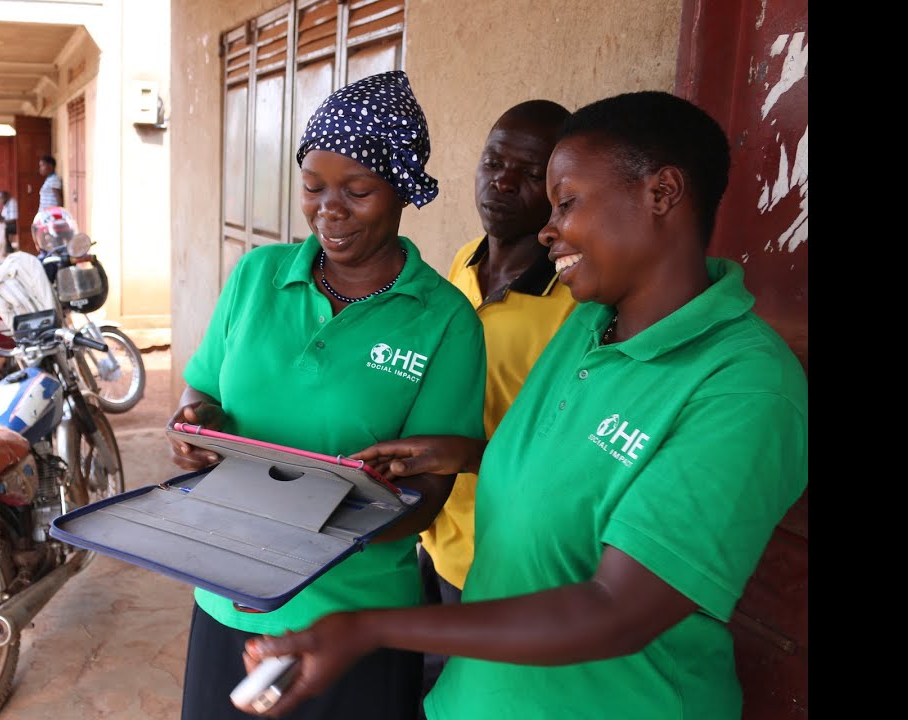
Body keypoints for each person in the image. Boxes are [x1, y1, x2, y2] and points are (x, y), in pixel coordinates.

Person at [241, 90, 809, 720]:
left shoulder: (745, 387)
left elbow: (614, 611)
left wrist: (370, 628)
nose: (547, 227)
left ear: (662, 192)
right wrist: (473, 455)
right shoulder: (590, 325)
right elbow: (581, 474)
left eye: (566, 202)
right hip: (478, 698)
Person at [167, 70, 487, 720]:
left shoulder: (443, 320)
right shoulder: (257, 277)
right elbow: (200, 399)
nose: (328, 211)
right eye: (313, 188)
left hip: (355, 617)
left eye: (358, 190)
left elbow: (426, 503)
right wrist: (193, 427)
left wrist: (312, 521)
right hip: (228, 594)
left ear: (399, 188)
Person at [414, 99, 576, 701]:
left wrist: (464, 452)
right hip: (432, 529)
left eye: (529, 173)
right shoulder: (464, 261)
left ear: (559, 190)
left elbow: (563, 445)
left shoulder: (576, 306)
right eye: (493, 161)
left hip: (499, 557)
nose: (502, 181)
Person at [34, 155, 63, 252]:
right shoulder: (49, 179)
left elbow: (58, 198)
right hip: (44, 215)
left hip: (50, 215)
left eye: (42, 165)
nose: (40, 168)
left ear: (50, 166)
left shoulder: (54, 179)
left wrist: (58, 215)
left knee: (49, 239)